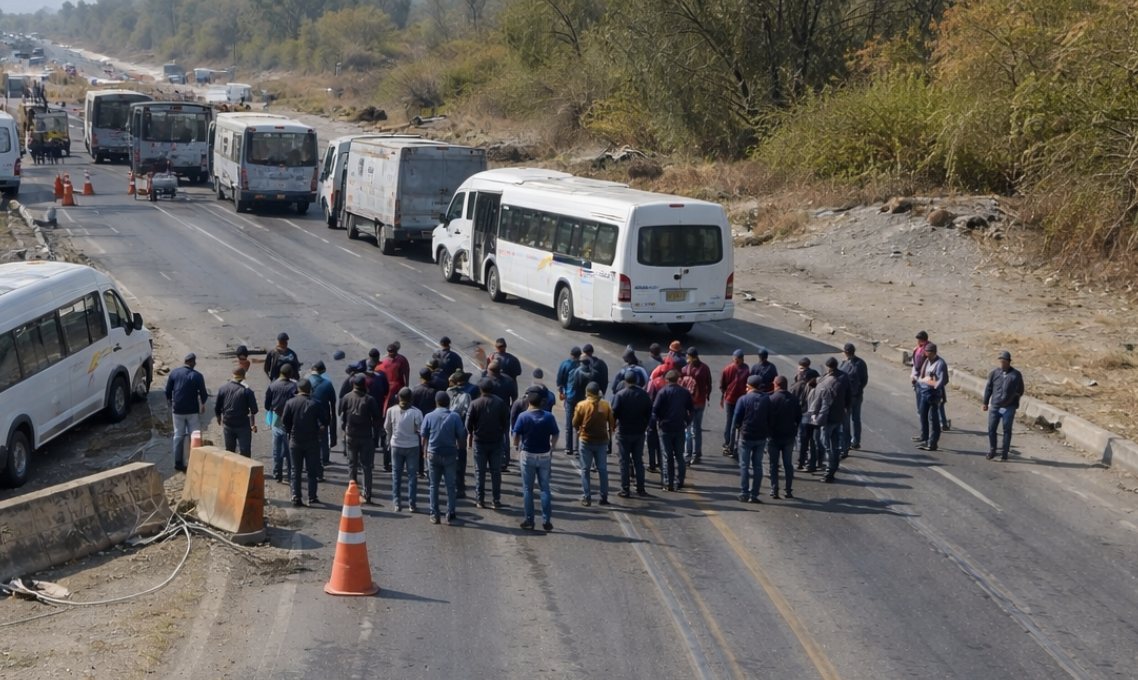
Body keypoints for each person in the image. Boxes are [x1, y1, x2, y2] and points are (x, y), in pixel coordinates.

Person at [513, 390, 560, 531]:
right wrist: (552, 445)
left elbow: (516, 435)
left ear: (529, 402)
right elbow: (556, 434)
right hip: (545, 455)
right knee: (545, 488)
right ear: (541, 403)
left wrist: (516, 445)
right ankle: (546, 520)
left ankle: (529, 520)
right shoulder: (549, 416)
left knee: (528, 489)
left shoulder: (523, 416)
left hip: (528, 454)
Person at [281, 379, 329, 506]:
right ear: (310, 389)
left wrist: (291, 431)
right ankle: (312, 497)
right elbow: (325, 420)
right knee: (311, 471)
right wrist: (320, 428)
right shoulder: (315, 403)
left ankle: (296, 496)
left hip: (295, 441)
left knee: (295, 470)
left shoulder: (290, 403)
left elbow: (285, 421)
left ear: (298, 389)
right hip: (312, 441)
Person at [420, 391, 467, 524]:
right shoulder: (455, 416)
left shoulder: (429, 416)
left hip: (433, 454)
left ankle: (434, 514)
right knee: (450, 486)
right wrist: (460, 447)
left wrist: (424, 451)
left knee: (433, 486)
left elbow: (424, 435)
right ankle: (450, 512)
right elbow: (461, 435)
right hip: (450, 454)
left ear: (436, 402)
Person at [466, 378, 510, 509]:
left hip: (480, 441)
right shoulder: (500, 402)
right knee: (495, 471)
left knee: (480, 472)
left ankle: (480, 500)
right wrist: (501, 432)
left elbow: (468, 423)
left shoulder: (475, 403)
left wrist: (472, 432)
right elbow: (506, 421)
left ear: (480, 389)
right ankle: (496, 500)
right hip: (496, 441)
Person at [340, 373, 382, 504]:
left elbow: (341, 415)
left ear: (353, 384)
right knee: (367, 467)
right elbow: (377, 418)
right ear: (365, 385)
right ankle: (367, 494)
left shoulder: (347, 397)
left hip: (351, 435)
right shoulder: (370, 399)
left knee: (352, 465)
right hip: (366, 436)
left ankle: (352, 492)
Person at [611, 372, 652, 497]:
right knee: (638, 461)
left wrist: (613, 427)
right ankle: (640, 488)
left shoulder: (620, 395)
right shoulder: (644, 395)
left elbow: (614, 413)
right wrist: (645, 426)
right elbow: (649, 413)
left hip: (624, 432)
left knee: (624, 461)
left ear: (625, 381)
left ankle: (626, 489)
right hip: (639, 432)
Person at [573, 382, 614, 506]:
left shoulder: (581, 405)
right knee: (602, 469)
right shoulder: (605, 405)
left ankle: (587, 497)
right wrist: (609, 435)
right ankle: (604, 497)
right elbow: (611, 423)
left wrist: (579, 430)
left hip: (586, 440)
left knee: (585, 470)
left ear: (587, 392)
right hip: (601, 441)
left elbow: (575, 422)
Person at [165, 353, 208, 472]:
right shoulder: (197, 376)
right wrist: (202, 404)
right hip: (192, 411)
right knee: (194, 434)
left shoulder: (174, 373)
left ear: (184, 361)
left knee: (178, 435)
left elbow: (168, 391)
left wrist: (170, 404)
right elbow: (203, 393)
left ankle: (178, 463)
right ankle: (195, 461)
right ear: (193, 362)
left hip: (177, 410)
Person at [732, 375, 772, 502]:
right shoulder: (767, 399)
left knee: (744, 465)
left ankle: (744, 493)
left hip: (745, 436)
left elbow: (736, 418)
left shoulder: (743, 399)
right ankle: (754, 494)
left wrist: (737, 428)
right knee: (757, 465)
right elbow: (771, 418)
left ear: (748, 386)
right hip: (761, 437)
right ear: (760, 386)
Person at [653, 370, 694, 491]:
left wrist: (655, 423)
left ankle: (668, 482)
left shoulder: (663, 392)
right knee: (680, 456)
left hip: (665, 428)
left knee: (667, 456)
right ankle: (680, 481)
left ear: (666, 380)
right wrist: (687, 422)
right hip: (679, 427)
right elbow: (691, 410)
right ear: (678, 380)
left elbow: (655, 410)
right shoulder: (685, 393)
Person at [386, 387, 423, 512]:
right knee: (412, 475)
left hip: (396, 445)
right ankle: (412, 504)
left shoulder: (391, 411)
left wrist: (390, 438)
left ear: (398, 397)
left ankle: (397, 502)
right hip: (412, 446)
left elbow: (387, 427)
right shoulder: (416, 412)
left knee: (396, 474)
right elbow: (420, 429)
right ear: (411, 399)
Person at [983, 350, 1024, 461]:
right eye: (1001, 360)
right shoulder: (994, 374)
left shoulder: (1015, 375)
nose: (1002, 362)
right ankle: (992, 451)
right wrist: (985, 402)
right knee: (991, 428)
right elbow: (989, 388)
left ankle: (1005, 452)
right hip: (995, 406)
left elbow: (1020, 390)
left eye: (1005, 360)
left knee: (1007, 429)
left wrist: (1014, 402)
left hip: (1008, 407)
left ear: (1009, 362)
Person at [264, 364, 299, 483]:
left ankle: (277, 473)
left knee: (276, 449)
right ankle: (289, 474)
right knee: (289, 450)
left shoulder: (272, 386)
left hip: (276, 419)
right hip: (290, 422)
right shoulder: (294, 386)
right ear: (290, 374)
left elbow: (266, 405)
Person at [767, 376, 799, 499]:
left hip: (774, 437)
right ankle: (788, 490)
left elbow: (767, 417)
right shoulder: (794, 399)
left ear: (776, 385)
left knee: (773, 464)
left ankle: (774, 489)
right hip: (789, 436)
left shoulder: (771, 399)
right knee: (788, 464)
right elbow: (798, 418)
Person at [214, 366, 258, 458]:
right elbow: (254, 410)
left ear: (233, 375)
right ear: (243, 376)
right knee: (245, 452)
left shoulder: (223, 388)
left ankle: (230, 471)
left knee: (229, 452)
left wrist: (218, 417)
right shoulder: (247, 391)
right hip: (243, 426)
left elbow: (217, 406)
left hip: (228, 424)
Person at [681, 347, 713, 465]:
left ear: (690, 357)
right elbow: (709, 385)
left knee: (689, 430)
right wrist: (706, 395)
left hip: (690, 403)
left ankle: (688, 455)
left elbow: (682, 385)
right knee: (697, 429)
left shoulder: (685, 369)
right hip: (700, 402)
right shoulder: (704, 368)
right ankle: (696, 453)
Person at [914, 344, 948, 452]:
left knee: (933, 419)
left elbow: (942, 381)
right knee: (923, 415)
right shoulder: (927, 361)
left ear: (933, 352)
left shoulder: (940, 364)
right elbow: (921, 375)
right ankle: (924, 437)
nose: (926, 354)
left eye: (928, 352)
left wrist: (932, 384)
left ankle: (933, 443)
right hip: (924, 391)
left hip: (933, 394)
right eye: (925, 352)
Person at [446, 371, 474, 498]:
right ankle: (460, 487)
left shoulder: (445, 394)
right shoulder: (466, 396)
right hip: (460, 431)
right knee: (460, 460)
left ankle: (449, 485)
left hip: (446, 431)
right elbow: (467, 414)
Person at [838, 343, 869, 456]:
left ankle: (846, 444)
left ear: (846, 352)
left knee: (845, 422)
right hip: (858, 396)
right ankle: (856, 441)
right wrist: (859, 390)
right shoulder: (861, 363)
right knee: (856, 419)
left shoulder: (844, 364)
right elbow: (865, 380)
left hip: (848, 398)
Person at [308, 361, 337, 478]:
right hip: (324, 415)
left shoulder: (307, 381)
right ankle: (325, 459)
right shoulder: (328, 384)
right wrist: (333, 415)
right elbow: (333, 402)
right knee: (323, 438)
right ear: (323, 371)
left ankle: (311, 460)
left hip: (309, 414)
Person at [791, 358, 821, 471]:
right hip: (815, 416)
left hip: (803, 416)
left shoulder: (797, 386)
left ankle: (801, 462)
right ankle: (812, 464)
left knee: (802, 440)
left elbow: (793, 400)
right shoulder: (819, 388)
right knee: (813, 441)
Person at [719, 349, 750, 457]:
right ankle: (735, 445)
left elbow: (722, 386)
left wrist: (723, 397)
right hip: (741, 400)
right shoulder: (746, 370)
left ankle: (728, 444)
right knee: (738, 423)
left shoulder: (727, 369)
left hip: (730, 399)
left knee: (730, 422)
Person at [363, 358, 391, 469]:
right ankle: (385, 463)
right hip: (378, 408)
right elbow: (386, 390)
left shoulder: (362, 378)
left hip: (364, 410)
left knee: (367, 438)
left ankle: (369, 463)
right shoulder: (381, 376)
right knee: (380, 432)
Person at [556, 347, 583, 454]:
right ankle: (577, 448)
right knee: (579, 423)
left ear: (571, 354)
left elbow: (559, 381)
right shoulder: (583, 365)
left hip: (570, 397)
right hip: (582, 398)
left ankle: (568, 447)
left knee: (569, 423)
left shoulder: (566, 364)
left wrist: (562, 392)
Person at [381, 343, 411, 408]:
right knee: (386, 403)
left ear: (396, 352)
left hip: (399, 385)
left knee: (399, 402)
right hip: (387, 386)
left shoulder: (402, 360)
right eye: (389, 352)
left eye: (392, 352)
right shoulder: (383, 360)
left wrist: (407, 385)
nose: (390, 354)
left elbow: (407, 372)